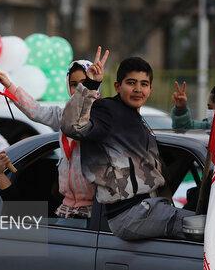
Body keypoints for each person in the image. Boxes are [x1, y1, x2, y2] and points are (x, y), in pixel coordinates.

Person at [61, 56, 195, 240]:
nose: (138, 89)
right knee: (205, 228)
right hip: (128, 213)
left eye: (144, 84)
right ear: (117, 86)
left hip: (149, 208)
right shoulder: (106, 110)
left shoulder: (138, 120)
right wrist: (91, 85)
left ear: (150, 89)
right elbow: (72, 126)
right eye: (131, 83)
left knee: (203, 223)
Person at [0, 47, 109, 219]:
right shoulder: (63, 115)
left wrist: (91, 86)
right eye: (74, 84)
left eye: (84, 83)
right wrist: (10, 86)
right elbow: (36, 111)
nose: (79, 89)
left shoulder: (102, 118)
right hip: (67, 206)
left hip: (95, 210)